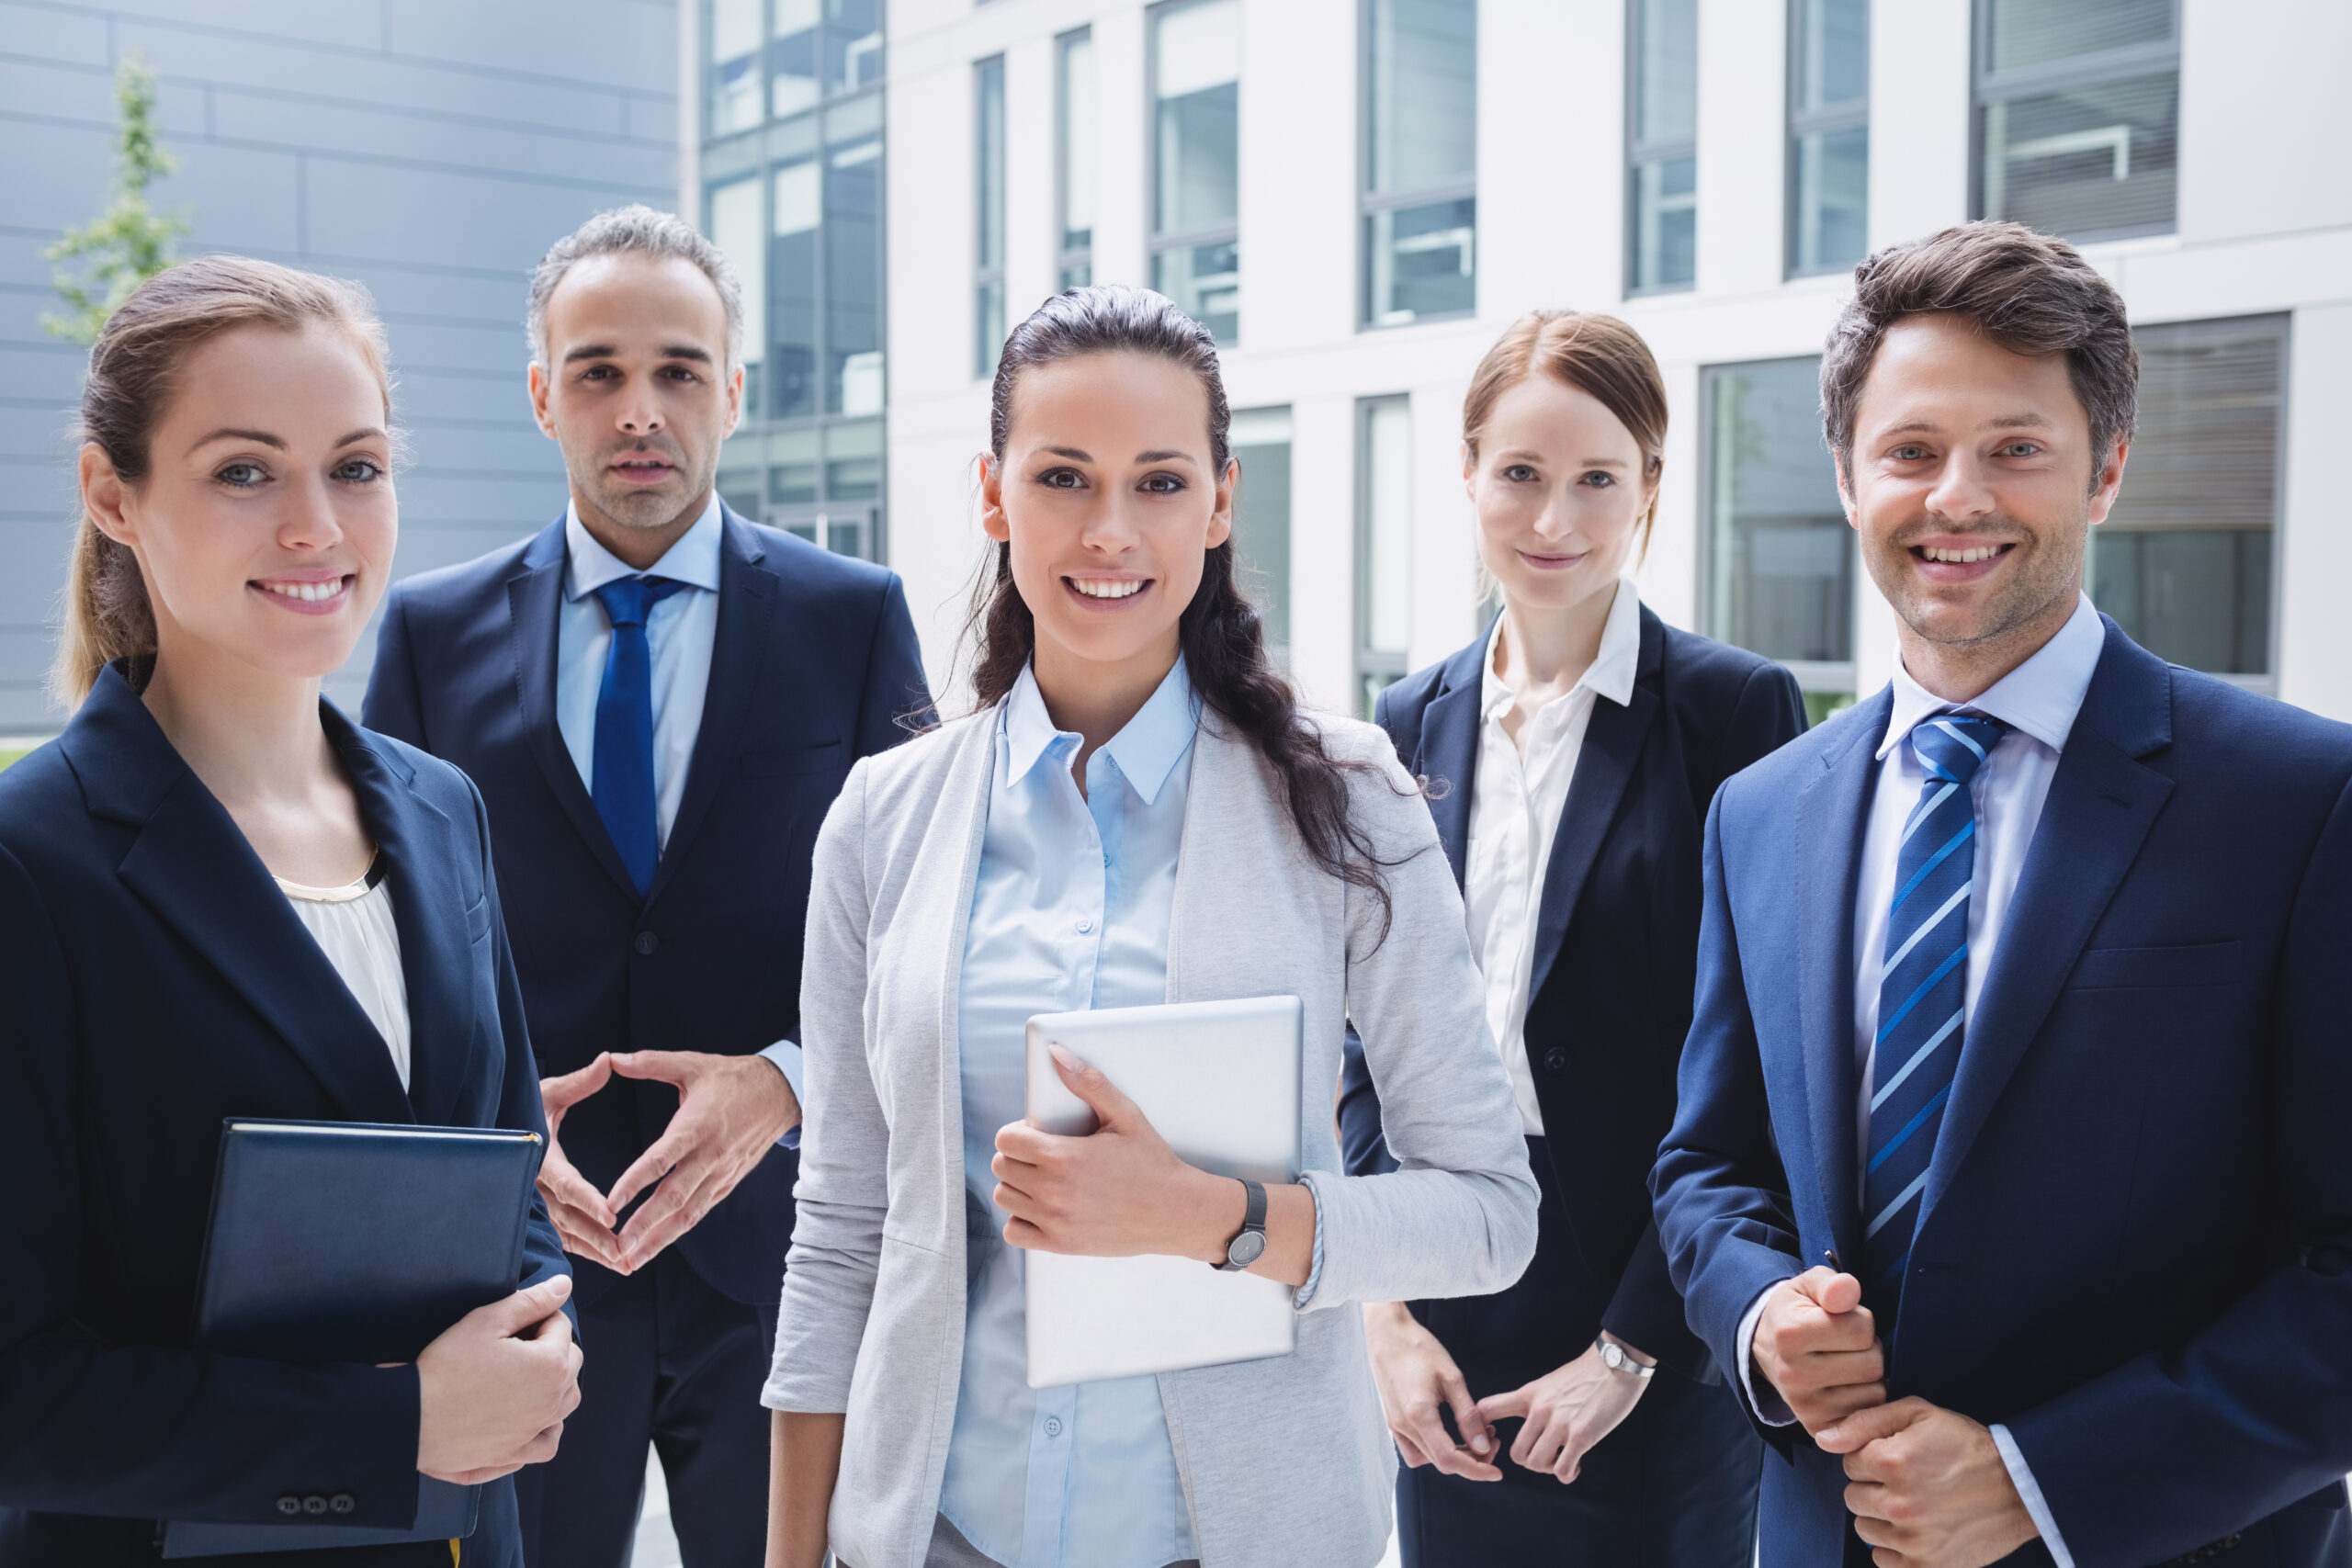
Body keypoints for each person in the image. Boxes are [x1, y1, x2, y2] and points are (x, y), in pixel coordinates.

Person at [759, 286, 1540, 1568]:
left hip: (1238, 1537)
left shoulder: (1346, 800)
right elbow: (843, 1225)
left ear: (1221, 501)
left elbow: (1488, 1214)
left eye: (1160, 482)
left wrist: (1211, 1217)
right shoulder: (881, 819)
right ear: (995, 494)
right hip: (935, 1535)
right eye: (1063, 476)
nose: (1110, 530)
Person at [1652, 220, 2352, 1568]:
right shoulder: (1762, 811)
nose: (1957, 496)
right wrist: (1760, 1321)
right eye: (1911, 450)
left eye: (2016, 447)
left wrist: (2045, 1480)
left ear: (2107, 470)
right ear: (1852, 479)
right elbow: (1708, 1163)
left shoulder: (2302, 800)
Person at [362, 207, 929, 1568]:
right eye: (600, 370)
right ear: (543, 393)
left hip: (788, 1255)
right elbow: (383, 945)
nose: (641, 408)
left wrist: (786, 1079)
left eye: (680, 369)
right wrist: (490, 1140)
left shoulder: (852, 618)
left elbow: (923, 937)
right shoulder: (431, 635)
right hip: (526, 1268)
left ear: (731, 393)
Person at [0, 255, 579, 1566]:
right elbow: (18, 1389)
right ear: (114, 495)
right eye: (245, 472)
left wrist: (543, 1339)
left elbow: (505, 1167)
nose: (317, 525)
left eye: (356, 467)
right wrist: (394, 1422)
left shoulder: (442, 814)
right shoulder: (35, 864)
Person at [1338, 310, 1799, 1564]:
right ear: (1471, 474)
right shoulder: (1405, 720)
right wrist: (1382, 1311)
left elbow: (1752, 1061)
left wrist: (1634, 1348)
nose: (1556, 521)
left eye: (1598, 479)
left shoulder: (1731, 711)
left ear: (1653, 483)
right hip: (1446, 1312)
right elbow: (1368, 1041)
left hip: (1643, 1314)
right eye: (1522, 475)